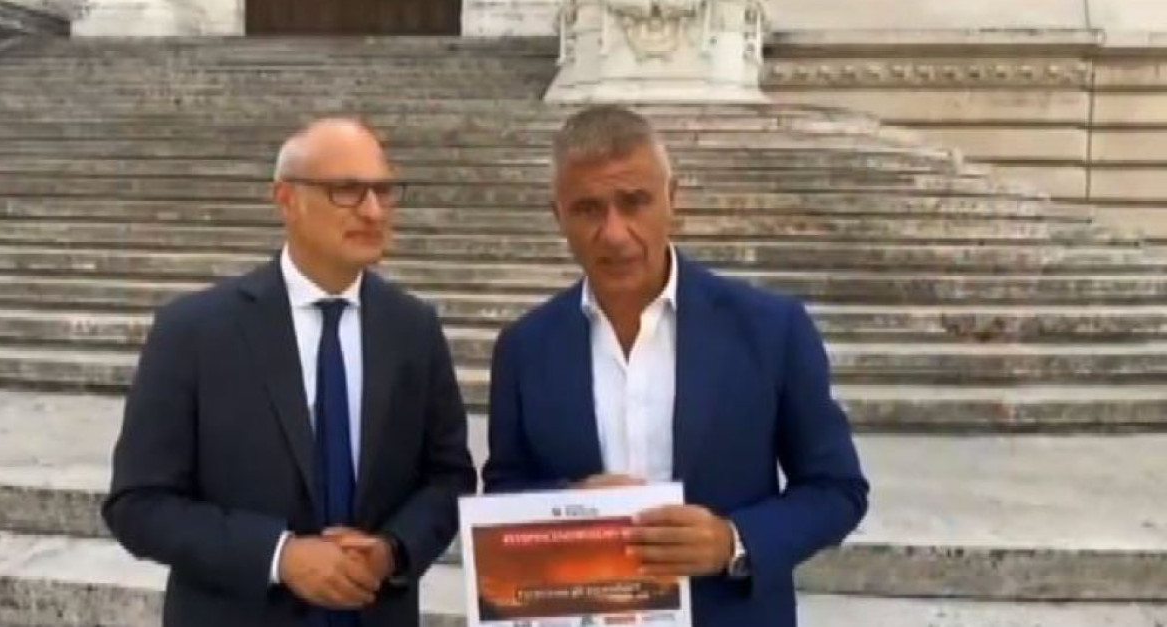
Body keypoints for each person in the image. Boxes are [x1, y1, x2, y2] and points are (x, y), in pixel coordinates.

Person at [481, 105, 869, 627]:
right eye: (588, 209)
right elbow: (503, 492)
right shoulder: (525, 347)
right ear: (558, 217)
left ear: (672, 199)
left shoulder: (771, 329)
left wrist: (732, 540)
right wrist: (569, 508)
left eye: (634, 202)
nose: (614, 233)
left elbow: (837, 490)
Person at [103, 117, 476, 627]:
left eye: (384, 191)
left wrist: (392, 550)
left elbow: (449, 478)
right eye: (347, 190)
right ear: (286, 199)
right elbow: (138, 504)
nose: (373, 210)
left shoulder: (413, 328)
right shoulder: (193, 331)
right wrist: (279, 556)